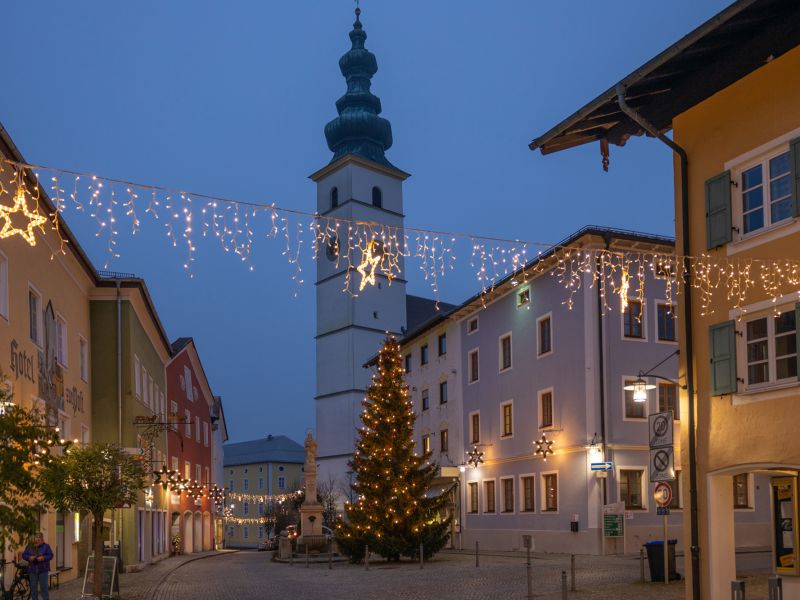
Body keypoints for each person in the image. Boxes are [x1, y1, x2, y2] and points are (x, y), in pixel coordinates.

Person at [22, 532, 53, 600]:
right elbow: (24, 555)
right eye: (36, 537)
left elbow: (50, 555)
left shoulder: (46, 546)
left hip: (43, 570)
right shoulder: (30, 546)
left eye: (39, 538)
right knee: (33, 589)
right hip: (32, 570)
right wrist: (29, 557)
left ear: (42, 539)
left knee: (44, 588)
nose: (38, 539)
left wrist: (43, 558)